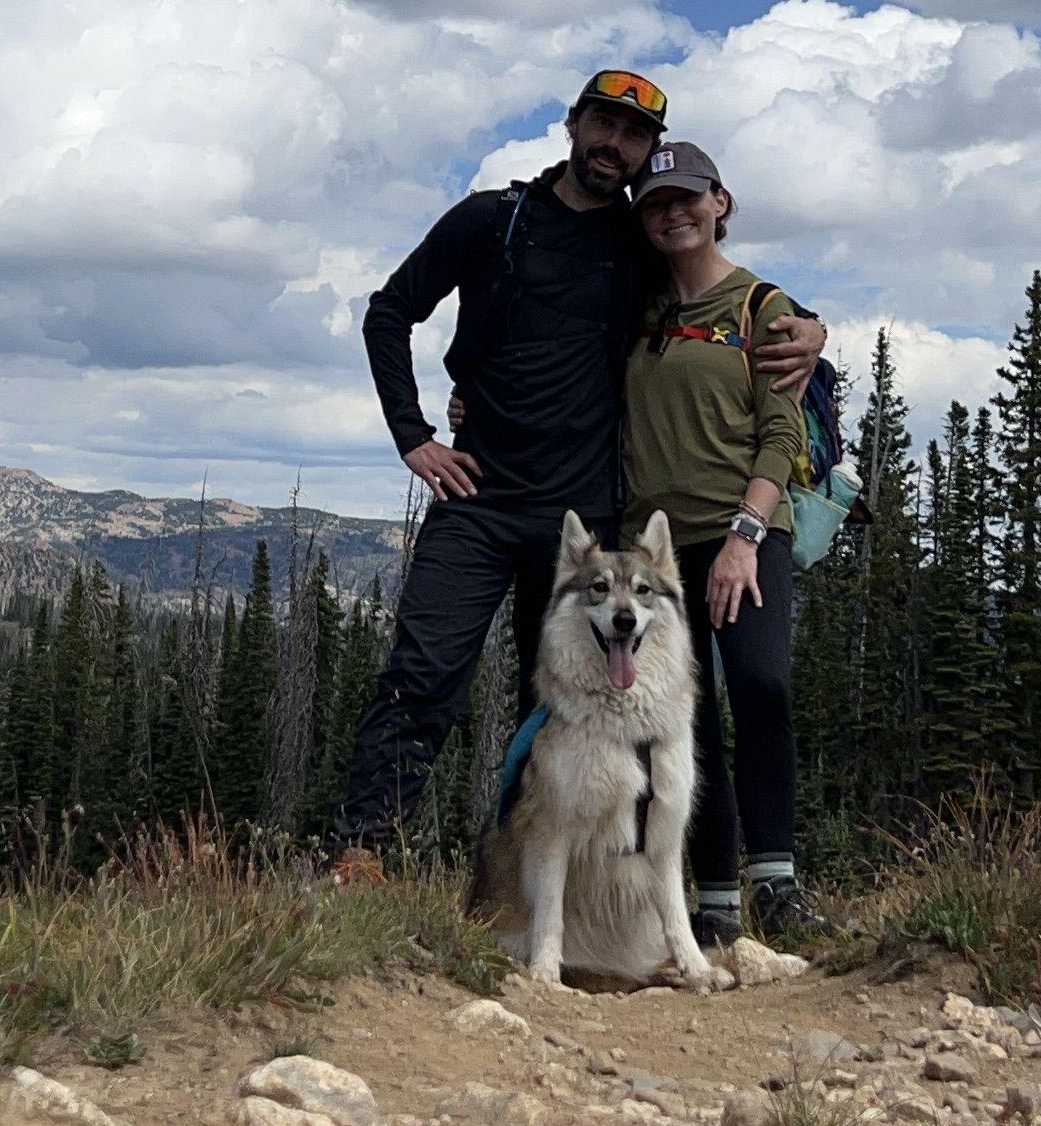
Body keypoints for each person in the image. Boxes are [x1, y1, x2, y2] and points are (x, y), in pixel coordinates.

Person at [335, 66, 822, 857]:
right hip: (478, 497)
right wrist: (414, 435)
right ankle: (362, 854)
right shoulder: (490, 220)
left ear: (648, 151)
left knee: (572, 710)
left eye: (635, 135)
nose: (615, 143)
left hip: (586, 523)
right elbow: (390, 312)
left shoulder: (639, 244)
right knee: (421, 677)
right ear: (571, 124)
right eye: (604, 123)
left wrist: (810, 327)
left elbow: (723, 301)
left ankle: (562, 884)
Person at [621, 140, 808, 946]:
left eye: (688, 198)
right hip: (657, 556)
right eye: (657, 203)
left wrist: (745, 534)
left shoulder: (761, 306)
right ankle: (717, 900)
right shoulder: (637, 312)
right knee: (684, 722)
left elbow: (781, 429)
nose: (674, 213)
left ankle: (779, 882)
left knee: (762, 686)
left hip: (746, 532)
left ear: (720, 202)